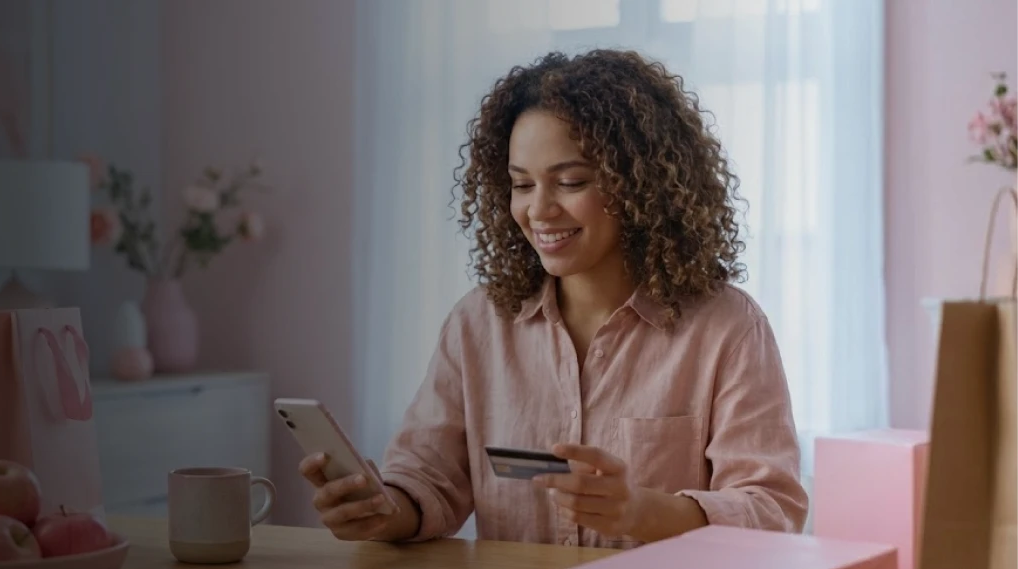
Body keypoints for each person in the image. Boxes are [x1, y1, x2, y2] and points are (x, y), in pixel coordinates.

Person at [299, 48, 808, 550]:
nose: (538, 210)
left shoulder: (727, 327)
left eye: (570, 182)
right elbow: (427, 480)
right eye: (521, 184)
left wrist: (644, 510)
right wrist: (382, 512)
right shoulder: (479, 324)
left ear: (639, 184)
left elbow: (771, 509)